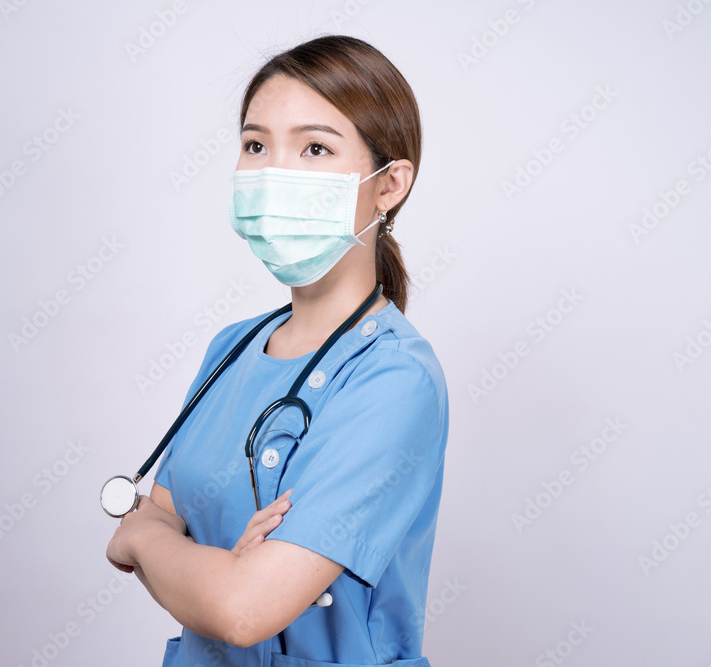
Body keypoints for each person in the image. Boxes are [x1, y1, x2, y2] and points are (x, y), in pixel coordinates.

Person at [106, 34, 449, 666]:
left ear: (389, 185)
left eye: (315, 147)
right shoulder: (231, 349)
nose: (274, 172)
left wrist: (150, 545)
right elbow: (167, 528)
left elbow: (240, 611)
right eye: (256, 145)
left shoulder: (395, 379)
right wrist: (209, 566)